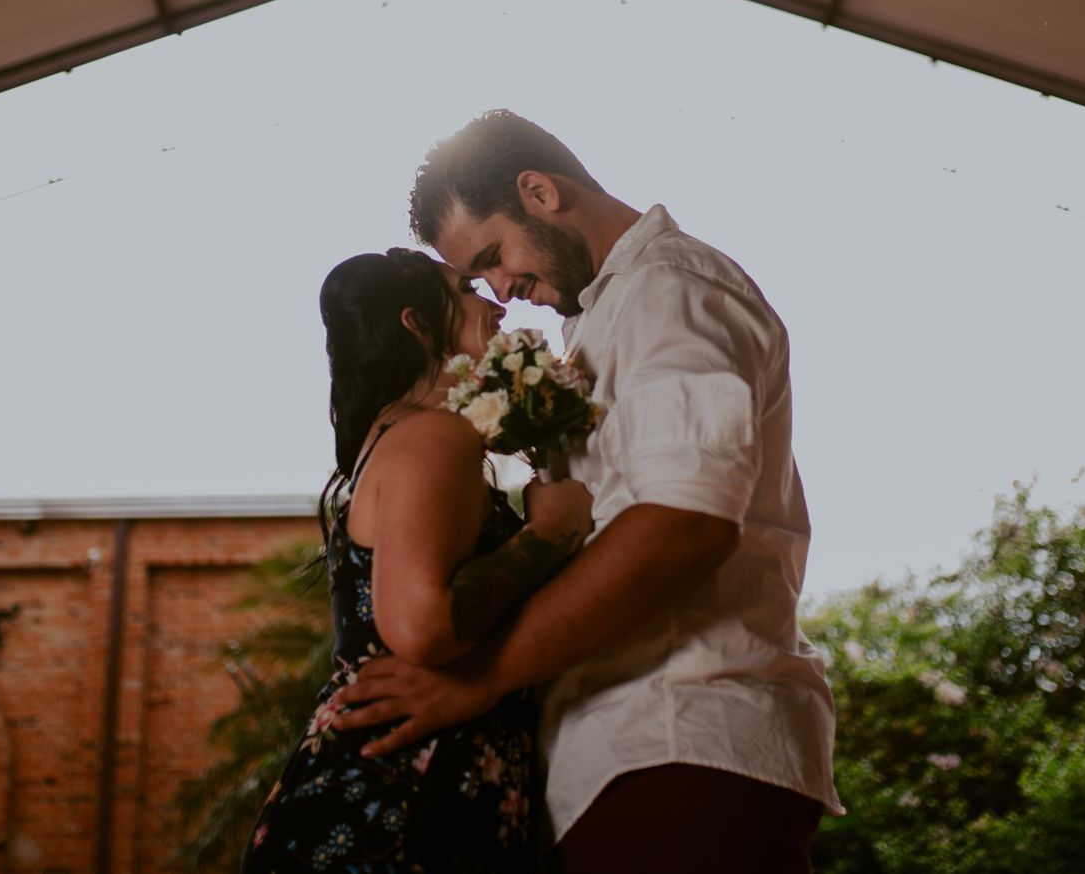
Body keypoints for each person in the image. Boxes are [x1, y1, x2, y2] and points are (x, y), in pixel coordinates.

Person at [338, 111, 841, 873]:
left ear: (540, 192)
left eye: (492, 257)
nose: (500, 289)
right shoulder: (602, 319)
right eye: (476, 280)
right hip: (617, 761)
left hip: (682, 740)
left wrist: (478, 682)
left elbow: (685, 521)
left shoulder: (669, 290)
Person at [242, 248, 595, 873]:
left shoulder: (394, 436)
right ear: (415, 323)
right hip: (398, 808)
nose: (493, 301)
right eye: (465, 290)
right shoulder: (432, 435)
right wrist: (550, 534)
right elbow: (422, 623)